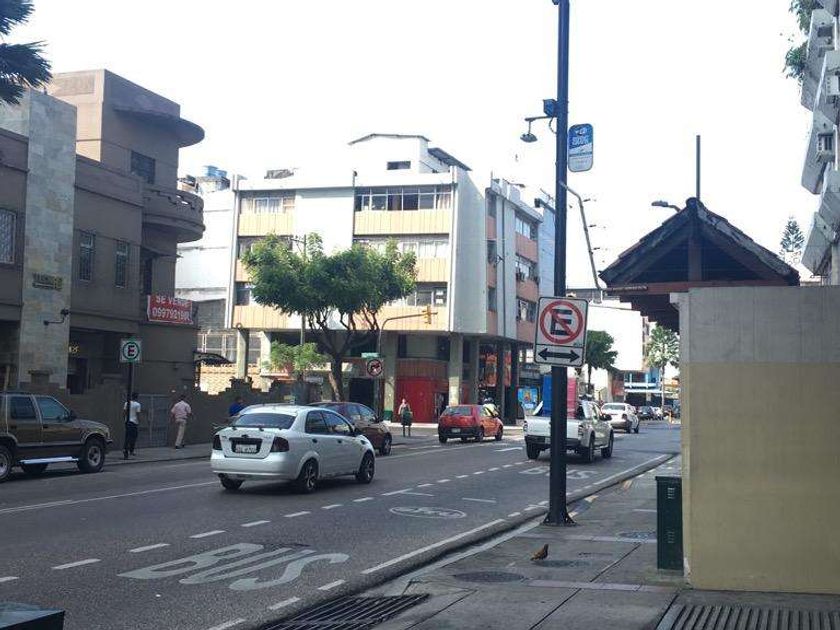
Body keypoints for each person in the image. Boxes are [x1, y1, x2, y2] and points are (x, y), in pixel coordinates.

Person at [123, 392, 141, 459]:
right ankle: (131, 450)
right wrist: (139, 421)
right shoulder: (137, 404)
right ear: (137, 397)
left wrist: (124, 419)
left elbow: (124, 412)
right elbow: (138, 414)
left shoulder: (126, 403)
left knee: (127, 436)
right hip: (134, 422)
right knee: (134, 436)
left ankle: (125, 449)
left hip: (127, 421)